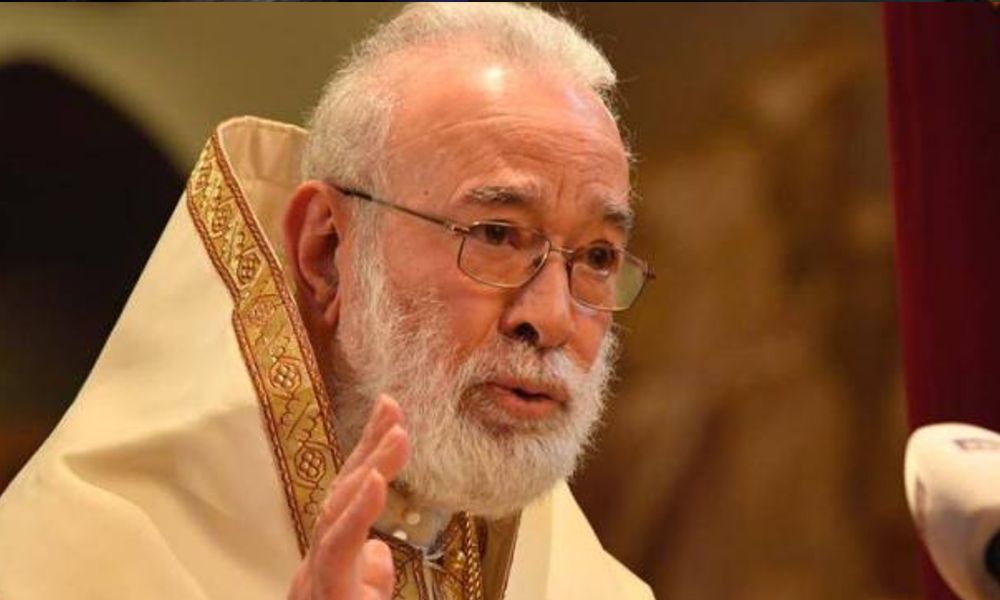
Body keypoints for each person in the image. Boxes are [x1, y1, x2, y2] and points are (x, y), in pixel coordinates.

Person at [0, 4, 655, 599]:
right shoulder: (75, 560)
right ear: (327, 250)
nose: (552, 317)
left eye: (598, 257)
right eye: (496, 235)